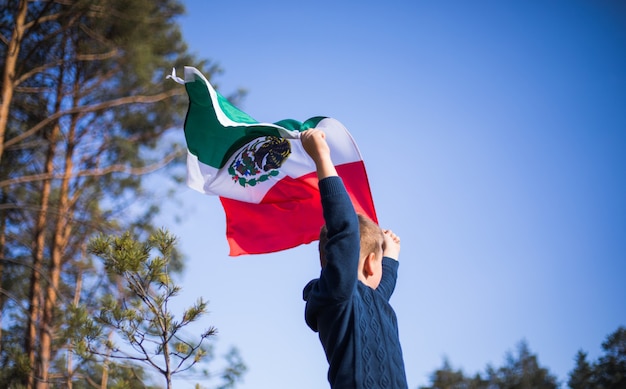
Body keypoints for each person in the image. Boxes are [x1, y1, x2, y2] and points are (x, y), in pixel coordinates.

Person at [301, 128, 408, 388]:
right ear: (372, 263)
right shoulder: (338, 293)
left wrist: (390, 258)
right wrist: (322, 158)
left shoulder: (364, 300)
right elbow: (344, 230)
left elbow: (379, 291)